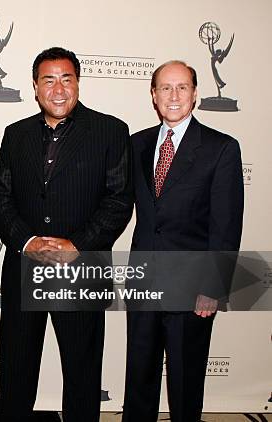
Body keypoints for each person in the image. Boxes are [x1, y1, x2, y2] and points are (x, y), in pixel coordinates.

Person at [0, 47, 133, 421]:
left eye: (66, 79)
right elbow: (1, 198)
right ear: (35, 87)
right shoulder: (15, 134)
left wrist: (78, 244)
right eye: (48, 80)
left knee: (82, 375)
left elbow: (119, 200)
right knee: (15, 371)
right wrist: (28, 241)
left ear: (78, 83)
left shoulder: (111, 131)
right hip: (25, 268)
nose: (58, 89)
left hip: (81, 269)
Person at [122, 60, 243, 422]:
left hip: (193, 291)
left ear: (195, 94)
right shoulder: (137, 144)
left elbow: (227, 224)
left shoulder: (221, 148)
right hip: (143, 282)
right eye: (165, 88)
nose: (173, 96)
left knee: (185, 384)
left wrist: (213, 286)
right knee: (138, 380)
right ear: (153, 96)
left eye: (182, 87)